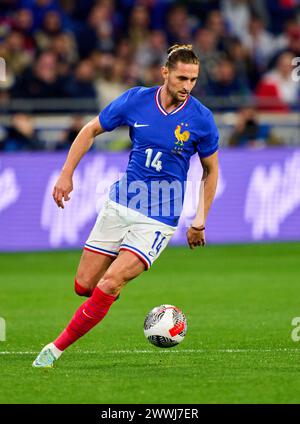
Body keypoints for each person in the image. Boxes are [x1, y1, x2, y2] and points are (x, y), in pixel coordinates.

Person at [32, 44, 219, 368]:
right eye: (181, 78)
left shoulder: (201, 119)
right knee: (84, 286)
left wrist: (199, 219)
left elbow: (211, 170)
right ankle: (105, 298)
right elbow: (90, 130)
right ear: (164, 73)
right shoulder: (136, 100)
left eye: (193, 79)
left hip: (158, 219)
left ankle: (54, 350)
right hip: (121, 204)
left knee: (109, 282)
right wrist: (66, 175)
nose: (187, 87)